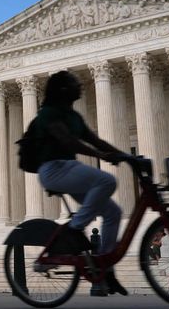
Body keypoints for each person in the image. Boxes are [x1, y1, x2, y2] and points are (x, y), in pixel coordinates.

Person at [27, 70, 130, 296]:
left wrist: (127, 157)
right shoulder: (49, 113)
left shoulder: (74, 116)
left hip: (69, 171)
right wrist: (103, 156)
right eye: (75, 84)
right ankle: (74, 229)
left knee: (113, 212)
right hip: (54, 169)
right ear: (63, 89)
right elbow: (68, 141)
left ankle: (105, 265)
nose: (80, 86)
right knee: (106, 180)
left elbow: (96, 140)